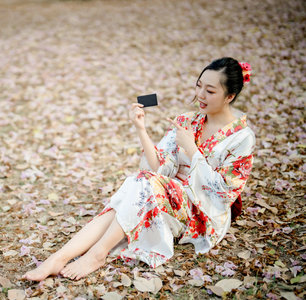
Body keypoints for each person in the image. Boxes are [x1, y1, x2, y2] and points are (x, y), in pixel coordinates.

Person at [23, 57, 255, 281]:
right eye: (198, 86)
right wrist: (141, 129)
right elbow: (159, 170)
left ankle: (97, 254)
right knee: (136, 191)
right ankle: (58, 258)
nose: (200, 95)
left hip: (200, 210)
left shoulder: (241, 138)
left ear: (230, 96)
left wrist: (193, 151)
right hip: (165, 193)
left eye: (210, 91)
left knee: (142, 186)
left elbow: (223, 194)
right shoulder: (188, 121)